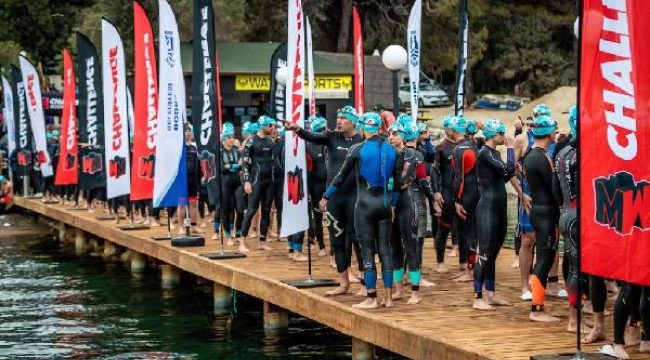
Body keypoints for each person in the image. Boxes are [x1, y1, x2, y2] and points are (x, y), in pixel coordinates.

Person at [320, 112, 401, 309]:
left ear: (363, 128)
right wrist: (392, 205)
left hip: (364, 206)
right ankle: (389, 297)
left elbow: (339, 178)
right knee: (385, 250)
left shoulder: (357, 149)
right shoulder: (392, 150)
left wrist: (326, 196)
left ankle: (372, 298)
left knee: (367, 251)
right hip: (384, 205)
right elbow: (397, 184)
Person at [284, 106, 365, 296]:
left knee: (357, 240)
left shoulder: (362, 140)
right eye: (337, 117)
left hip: (356, 197)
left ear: (353, 121)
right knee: (337, 241)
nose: (338, 121)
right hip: (335, 198)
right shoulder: (331, 137)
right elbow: (311, 137)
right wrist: (296, 129)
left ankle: (363, 284)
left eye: (343, 118)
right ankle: (344, 282)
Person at [388, 119, 435, 305]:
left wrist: (434, 201)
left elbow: (421, 180)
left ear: (404, 136)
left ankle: (415, 293)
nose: (391, 137)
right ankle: (399, 289)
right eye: (390, 134)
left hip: (409, 203)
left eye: (395, 134)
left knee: (411, 246)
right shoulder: (388, 155)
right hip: (393, 205)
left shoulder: (414, 155)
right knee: (394, 247)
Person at [472, 119, 515, 310]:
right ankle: (477, 297)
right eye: (501, 133)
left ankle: (491, 292)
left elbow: (506, 176)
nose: (504, 136)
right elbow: (509, 169)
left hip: (499, 207)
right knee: (485, 253)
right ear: (492, 134)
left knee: (494, 251)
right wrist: (512, 148)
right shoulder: (485, 153)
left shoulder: (494, 153)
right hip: (488, 207)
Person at [522, 114, 561, 322]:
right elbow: (554, 187)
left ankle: (539, 306)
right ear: (547, 132)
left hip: (539, 210)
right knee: (545, 259)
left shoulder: (531, 154)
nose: (556, 132)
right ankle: (536, 309)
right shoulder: (540, 157)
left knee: (544, 258)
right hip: (546, 213)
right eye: (554, 129)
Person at [451, 116, 479, 282]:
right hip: (475, 191)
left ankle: (470, 271)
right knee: (467, 231)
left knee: (469, 233)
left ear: (454, 131)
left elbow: (459, 178)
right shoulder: (473, 145)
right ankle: (468, 269)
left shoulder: (460, 149)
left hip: (467, 194)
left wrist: (456, 200)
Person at [241, 115, 276, 251]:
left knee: (266, 211)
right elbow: (245, 163)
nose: (272, 128)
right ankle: (242, 242)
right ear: (262, 126)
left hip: (269, 181)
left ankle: (262, 241)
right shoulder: (251, 141)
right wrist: (246, 181)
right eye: (270, 126)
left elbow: (274, 162)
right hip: (256, 180)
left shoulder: (270, 141)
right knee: (251, 211)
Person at [432, 116, 459, 274]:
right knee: (443, 228)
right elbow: (434, 170)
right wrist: (436, 191)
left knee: (464, 229)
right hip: (447, 193)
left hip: (463, 193)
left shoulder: (465, 145)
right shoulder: (441, 148)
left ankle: (463, 263)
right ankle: (440, 262)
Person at [217, 123, 247, 253]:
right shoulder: (220, 151)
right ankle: (228, 235)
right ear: (223, 139)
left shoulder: (236, 150)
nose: (232, 139)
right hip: (225, 183)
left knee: (240, 210)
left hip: (237, 183)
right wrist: (235, 166)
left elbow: (242, 165)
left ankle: (239, 233)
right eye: (229, 137)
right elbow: (223, 168)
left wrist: (232, 166)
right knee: (226, 210)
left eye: (233, 137)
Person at [305, 116, 329, 258]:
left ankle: (332, 250)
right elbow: (307, 170)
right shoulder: (307, 146)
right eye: (320, 131)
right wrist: (307, 189)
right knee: (318, 216)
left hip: (330, 184)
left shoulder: (328, 144)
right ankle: (321, 246)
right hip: (315, 185)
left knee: (333, 217)